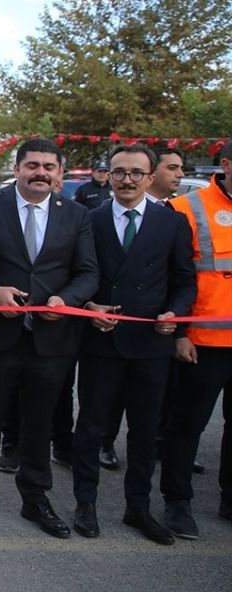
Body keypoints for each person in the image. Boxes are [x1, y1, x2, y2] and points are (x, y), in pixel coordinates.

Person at [0, 138, 99, 538]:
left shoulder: (76, 214)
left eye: (49, 167)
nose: (41, 172)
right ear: (17, 168)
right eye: (33, 165)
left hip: (51, 340)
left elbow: (88, 272)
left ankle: (35, 498)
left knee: (39, 424)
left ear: (59, 172)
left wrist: (65, 299)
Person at [71, 144, 196, 545]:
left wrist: (174, 316)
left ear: (149, 177)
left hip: (151, 345)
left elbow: (183, 281)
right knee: (90, 428)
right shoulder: (88, 220)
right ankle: (85, 503)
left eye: (136, 173)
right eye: (119, 171)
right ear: (108, 174)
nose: (127, 180)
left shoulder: (171, 222)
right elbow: (79, 274)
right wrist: (89, 305)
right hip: (101, 343)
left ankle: (137, 507)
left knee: (144, 432)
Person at [160, 139, 232, 540]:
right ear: (225, 164)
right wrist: (182, 333)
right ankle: (177, 501)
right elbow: (176, 278)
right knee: (186, 425)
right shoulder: (188, 208)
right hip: (202, 342)